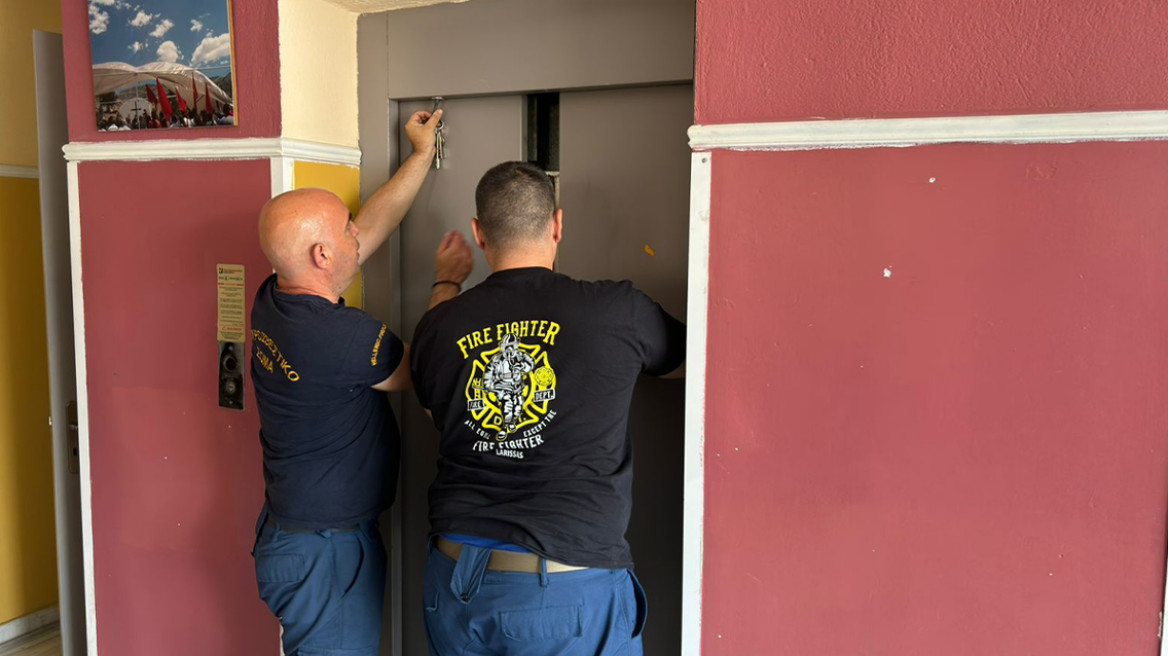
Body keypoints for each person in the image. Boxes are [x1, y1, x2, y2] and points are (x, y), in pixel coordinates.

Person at [410, 161, 686, 656]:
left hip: (453, 579)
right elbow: (695, 366)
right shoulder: (617, 311)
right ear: (558, 224)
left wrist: (446, 285)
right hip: (563, 591)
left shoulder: (440, 324)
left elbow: (441, 410)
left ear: (478, 233)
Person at [249, 108, 457, 656]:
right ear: (322, 255)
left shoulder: (273, 295)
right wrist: (446, 284)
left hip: (295, 535)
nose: (355, 231)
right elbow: (428, 370)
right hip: (326, 552)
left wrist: (420, 155)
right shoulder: (342, 337)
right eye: (346, 227)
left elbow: (369, 231)